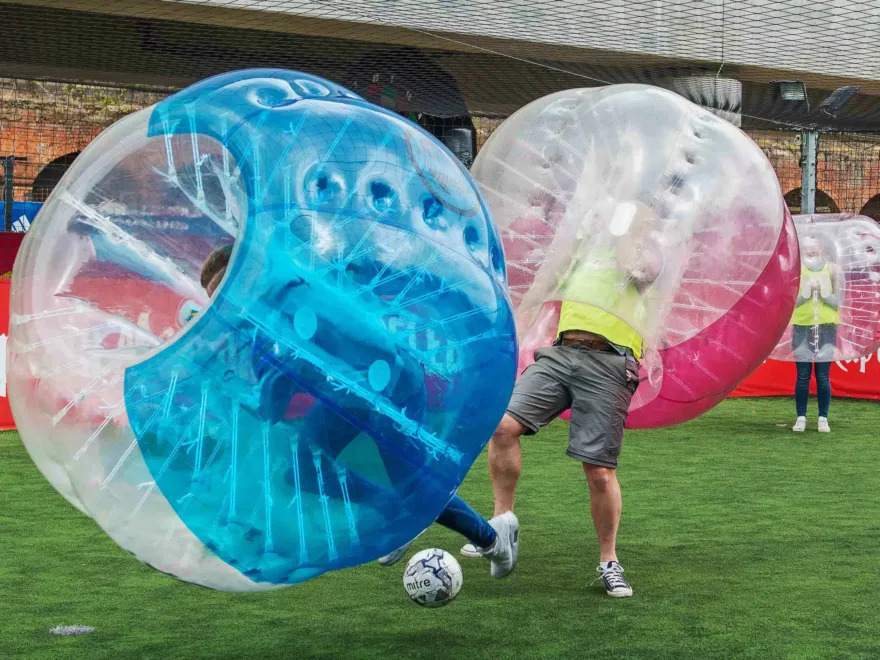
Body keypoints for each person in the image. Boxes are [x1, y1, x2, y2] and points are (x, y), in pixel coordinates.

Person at [199, 244, 518, 577]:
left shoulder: (275, 323)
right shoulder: (290, 286)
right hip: (353, 392)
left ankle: (492, 540)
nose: (225, 308)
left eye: (223, 295)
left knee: (415, 487)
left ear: (244, 278)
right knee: (304, 469)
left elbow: (270, 403)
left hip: (389, 392)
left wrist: (227, 383)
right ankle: (398, 516)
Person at [461, 201, 663, 598]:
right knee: (502, 426)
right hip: (561, 353)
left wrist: (625, 232)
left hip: (610, 360)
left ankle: (609, 561)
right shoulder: (587, 251)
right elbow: (545, 279)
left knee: (599, 471)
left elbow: (638, 272)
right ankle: (501, 528)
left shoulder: (649, 252)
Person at [790, 236, 843, 433]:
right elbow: (789, 301)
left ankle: (823, 418)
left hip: (826, 327)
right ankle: (801, 417)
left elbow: (839, 301)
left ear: (821, 247)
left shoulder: (834, 270)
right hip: (801, 326)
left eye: (815, 246)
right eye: (807, 247)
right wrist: (805, 295)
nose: (811, 250)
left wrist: (823, 294)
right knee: (803, 376)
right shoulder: (796, 270)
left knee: (823, 376)